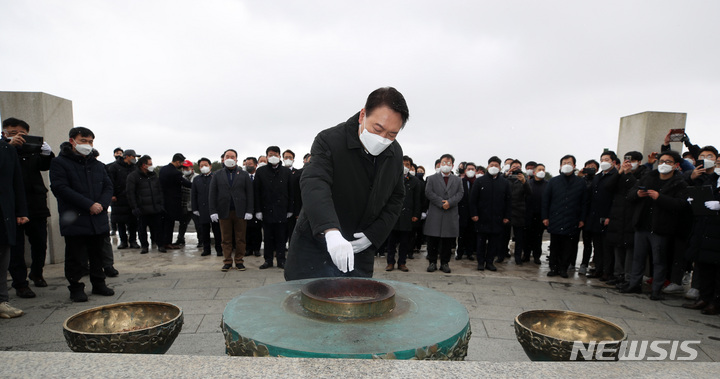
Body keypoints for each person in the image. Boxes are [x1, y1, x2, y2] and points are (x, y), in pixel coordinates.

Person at [284, 87, 408, 280]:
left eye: (392, 134)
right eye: (377, 129)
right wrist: (331, 232)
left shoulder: (394, 153)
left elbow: (396, 197)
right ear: (362, 115)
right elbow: (315, 183)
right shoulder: (329, 140)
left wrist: (372, 236)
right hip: (315, 247)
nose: (383, 139)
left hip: (359, 249)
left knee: (356, 302)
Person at [49, 127, 115, 302]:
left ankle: (99, 283)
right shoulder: (59, 163)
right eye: (83, 140)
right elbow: (60, 188)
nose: (87, 145)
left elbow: (108, 187)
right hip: (75, 218)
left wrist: (101, 204)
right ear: (72, 141)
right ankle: (76, 287)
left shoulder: (98, 165)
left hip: (97, 217)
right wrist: (89, 205)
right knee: (75, 256)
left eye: (90, 141)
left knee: (97, 254)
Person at [620, 151, 689, 300]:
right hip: (642, 225)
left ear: (676, 165)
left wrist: (660, 198)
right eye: (661, 161)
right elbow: (630, 195)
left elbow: (681, 205)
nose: (663, 164)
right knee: (638, 258)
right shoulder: (648, 177)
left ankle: (656, 289)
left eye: (668, 162)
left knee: (659, 260)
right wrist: (638, 194)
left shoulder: (680, 183)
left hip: (661, 228)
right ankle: (634, 284)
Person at [2, 118, 54, 298]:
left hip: (35, 203)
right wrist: (8, 146)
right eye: (12, 132)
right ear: (4, 133)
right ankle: (20, 283)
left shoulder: (32, 149)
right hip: (12, 206)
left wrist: (47, 153)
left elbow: (46, 165)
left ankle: (37, 273)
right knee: (15, 247)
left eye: (21, 133)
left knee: (40, 243)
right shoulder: (3, 149)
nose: (17, 136)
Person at [604, 151, 646, 287]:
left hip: (632, 216)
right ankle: (618, 274)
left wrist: (628, 174)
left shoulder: (644, 173)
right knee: (618, 246)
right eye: (627, 160)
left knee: (629, 248)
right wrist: (620, 172)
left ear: (639, 162)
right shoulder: (620, 174)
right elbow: (608, 187)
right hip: (617, 216)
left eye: (632, 160)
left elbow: (636, 189)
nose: (629, 163)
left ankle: (628, 277)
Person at [542, 154, 588, 278]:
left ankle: (563, 268)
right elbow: (546, 201)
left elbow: (584, 202)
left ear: (574, 166)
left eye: (569, 163)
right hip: (555, 218)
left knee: (568, 247)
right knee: (555, 246)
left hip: (572, 219)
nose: (566, 165)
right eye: (564, 163)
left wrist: (582, 219)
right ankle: (553, 268)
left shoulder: (580, 182)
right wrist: (545, 217)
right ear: (560, 165)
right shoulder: (553, 181)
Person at [209, 149, 253, 271]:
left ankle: (239, 260)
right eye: (227, 156)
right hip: (224, 211)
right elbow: (212, 194)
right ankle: (227, 261)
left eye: (232, 156)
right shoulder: (217, 175)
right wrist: (213, 211)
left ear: (236, 159)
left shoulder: (243, 174)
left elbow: (249, 193)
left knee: (240, 238)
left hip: (240, 211)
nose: (230, 158)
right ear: (223, 159)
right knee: (226, 239)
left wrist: (249, 210)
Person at [0, 136, 29, 318]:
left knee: (2, 258)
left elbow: (16, 183)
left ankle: (2, 301)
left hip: (3, 214)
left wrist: (21, 211)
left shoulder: (7, 150)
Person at [424, 153, 464, 273]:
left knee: (447, 241)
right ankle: (432, 262)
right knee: (432, 240)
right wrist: (441, 203)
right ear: (440, 164)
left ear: (452, 165)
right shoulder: (431, 178)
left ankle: (445, 263)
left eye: (449, 163)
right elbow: (428, 192)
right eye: (444, 163)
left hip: (450, 212)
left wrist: (450, 202)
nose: (446, 165)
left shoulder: (457, 180)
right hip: (436, 212)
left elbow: (460, 193)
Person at [255, 146, 293, 269]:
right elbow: (257, 192)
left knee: (281, 237)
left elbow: (291, 192)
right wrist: (258, 210)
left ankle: (281, 260)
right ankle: (268, 260)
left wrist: (290, 209)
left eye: (276, 154)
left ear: (279, 156)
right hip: (266, 210)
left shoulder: (286, 172)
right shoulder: (260, 172)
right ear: (266, 156)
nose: (273, 157)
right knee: (268, 237)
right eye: (270, 154)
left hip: (282, 210)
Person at [470, 156, 511, 271]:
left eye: (496, 166)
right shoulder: (479, 181)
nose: (494, 167)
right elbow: (473, 200)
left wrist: (507, 216)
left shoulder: (504, 183)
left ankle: (489, 262)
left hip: (497, 218)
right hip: (482, 218)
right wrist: (474, 214)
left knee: (494, 243)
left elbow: (508, 201)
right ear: (488, 166)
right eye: (491, 165)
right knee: (481, 242)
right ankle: (480, 262)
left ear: (500, 167)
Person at [585, 151, 620, 281]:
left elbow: (615, 199)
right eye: (602, 159)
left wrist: (610, 216)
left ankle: (607, 271)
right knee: (597, 246)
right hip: (595, 216)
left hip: (607, 216)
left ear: (614, 162)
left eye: (607, 159)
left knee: (607, 247)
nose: (604, 162)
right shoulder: (597, 176)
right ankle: (598, 269)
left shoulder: (616, 176)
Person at [385, 156, 421, 272]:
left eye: (407, 165)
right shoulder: (392, 178)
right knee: (391, 242)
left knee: (405, 243)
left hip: (407, 216)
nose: (405, 166)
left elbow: (417, 200)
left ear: (411, 167)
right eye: (403, 164)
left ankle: (402, 263)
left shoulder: (414, 181)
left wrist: (416, 214)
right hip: (393, 215)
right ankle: (390, 262)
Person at [126, 155, 165, 254]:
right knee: (142, 229)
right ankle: (144, 246)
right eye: (150, 164)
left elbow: (159, 190)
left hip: (155, 207)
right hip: (142, 208)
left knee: (158, 228)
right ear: (144, 165)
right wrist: (134, 207)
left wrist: (161, 204)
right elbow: (130, 193)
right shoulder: (133, 176)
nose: (152, 166)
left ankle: (160, 245)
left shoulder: (153, 175)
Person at [107, 149, 139, 250]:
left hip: (132, 198)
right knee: (120, 221)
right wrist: (112, 194)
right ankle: (123, 241)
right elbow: (110, 182)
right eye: (133, 157)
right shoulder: (114, 167)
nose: (135, 159)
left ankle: (133, 240)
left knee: (133, 221)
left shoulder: (135, 167)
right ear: (128, 156)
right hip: (119, 198)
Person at [159, 153, 192, 250]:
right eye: (181, 163)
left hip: (163, 200)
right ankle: (167, 242)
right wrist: (195, 185)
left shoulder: (163, 169)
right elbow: (184, 183)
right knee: (170, 223)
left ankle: (162, 242)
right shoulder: (175, 173)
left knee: (164, 223)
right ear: (178, 162)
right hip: (172, 202)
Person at [192, 158, 222, 257]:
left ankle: (219, 249)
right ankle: (206, 249)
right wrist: (195, 208)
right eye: (201, 166)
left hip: (215, 209)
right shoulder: (196, 179)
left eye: (205, 165)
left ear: (210, 166)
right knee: (204, 231)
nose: (203, 167)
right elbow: (194, 195)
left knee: (217, 231)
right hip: (202, 209)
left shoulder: (216, 177)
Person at [506, 159, 532, 265]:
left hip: (519, 212)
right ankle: (501, 254)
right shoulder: (506, 178)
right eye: (514, 167)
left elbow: (529, 193)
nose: (516, 168)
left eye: (518, 167)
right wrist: (506, 174)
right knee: (504, 236)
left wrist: (524, 181)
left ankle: (517, 257)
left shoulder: (524, 180)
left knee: (519, 238)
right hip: (507, 212)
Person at [524, 163, 548, 264]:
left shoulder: (547, 184)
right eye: (539, 169)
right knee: (527, 236)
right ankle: (526, 255)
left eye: (543, 169)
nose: (541, 171)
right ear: (534, 172)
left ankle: (536, 256)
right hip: (528, 214)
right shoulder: (528, 183)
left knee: (538, 237)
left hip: (540, 215)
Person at [456, 162, 478, 261]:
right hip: (462, 212)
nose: (470, 171)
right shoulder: (460, 181)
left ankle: (470, 253)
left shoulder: (477, 182)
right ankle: (459, 253)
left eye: (472, 169)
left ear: (475, 171)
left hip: (473, 213)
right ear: (465, 171)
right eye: (468, 169)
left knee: (471, 235)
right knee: (461, 235)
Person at [176, 159, 200, 246]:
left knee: (198, 224)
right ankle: (180, 239)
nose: (185, 170)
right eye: (183, 168)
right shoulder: (181, 177)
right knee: (182, 224)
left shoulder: (197, 177)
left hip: (194, 205)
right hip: (185, 205)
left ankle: (201, 241)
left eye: (187, 168)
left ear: (191, 168)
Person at [243, 157, 262, 257]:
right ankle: (248, 249)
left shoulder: (259, 176)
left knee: (257, 230)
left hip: (257, 207)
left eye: (250, 164)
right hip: (246, 208)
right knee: (247, 230)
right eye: (246, 164)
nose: (248, 166)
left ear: (255, 165)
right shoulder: (243, 176)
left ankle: (256, 249)